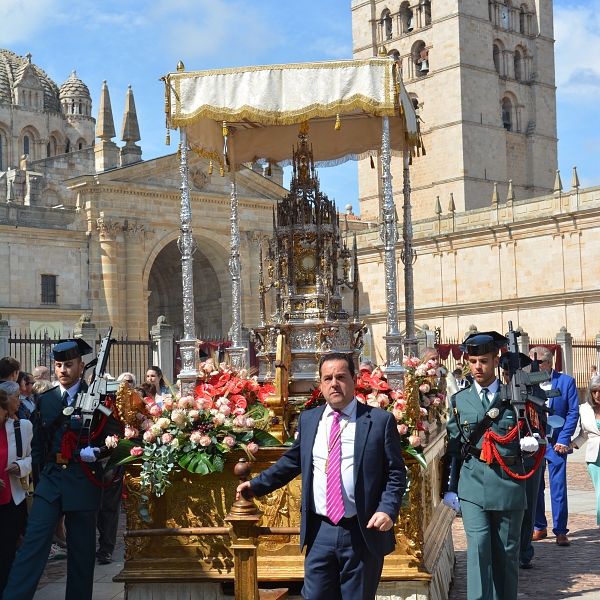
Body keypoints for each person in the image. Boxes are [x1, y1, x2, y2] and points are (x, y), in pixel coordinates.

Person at [236, 352, 406, 600]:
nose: (334, 384)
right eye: (327, 378)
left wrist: (387, 509)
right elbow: (292, 461)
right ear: (321, 383)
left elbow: (395, 473)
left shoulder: (379, 421)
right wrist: (255, 486)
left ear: (354, 379)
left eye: (340, 377)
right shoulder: (309, 419)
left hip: (361, 530)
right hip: (320, 531)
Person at [2, 339, 122, 600]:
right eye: (58, 365)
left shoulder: (100, 400)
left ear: (81, 366)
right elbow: (38, 447)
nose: (63, 370)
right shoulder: (46, 401)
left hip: (83, 481)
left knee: (81, 554)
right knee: (32, 546)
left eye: (68, 365)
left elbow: (117, 441)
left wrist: (98, 452)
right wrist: (40, 478)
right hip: (52, 481)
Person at [442, 331, 540, 600]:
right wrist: (448, 488)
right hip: (473, 486)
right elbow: (454, 448)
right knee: (478, 548)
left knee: (507, 555)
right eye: (472, 361)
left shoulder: (516, 397)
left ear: (496, 359)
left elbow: (536, 430)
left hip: (509, 485)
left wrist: (534, 443)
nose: (477, 367)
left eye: (483, 360)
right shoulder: (459, 401)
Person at [530, 345, 579, 546]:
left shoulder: (567, 382)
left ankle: (560, 530)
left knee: (558, 487)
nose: (533, 367)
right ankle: (539, 526)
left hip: (557, 443)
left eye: (537, 363)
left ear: (548, 363)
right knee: (535, 487)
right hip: (535, 442)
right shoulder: (529, 383)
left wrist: (564, 439)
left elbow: (573, 412)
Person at [0, 388, 33, 597]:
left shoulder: (23, 427)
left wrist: (20, 466)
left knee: (6, 551)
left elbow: (33, 458)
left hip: (12, 499)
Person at [570, 376, 600, 525]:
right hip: (595, 459)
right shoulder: (584, 409)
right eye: (594, 391)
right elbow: (584, 434)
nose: (597, 395)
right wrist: (570, 445)